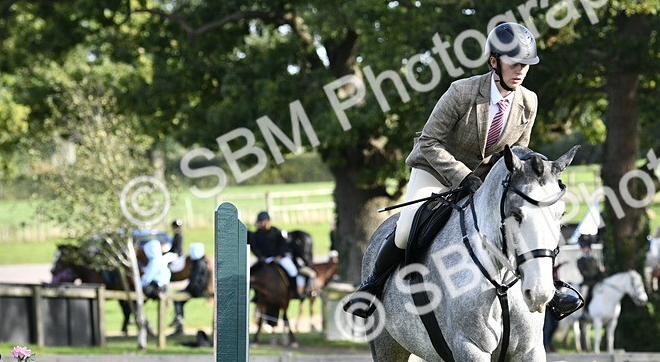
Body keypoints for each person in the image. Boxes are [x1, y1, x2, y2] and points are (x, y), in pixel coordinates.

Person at [345, 22, 578, 320]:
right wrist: (462, 176)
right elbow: (428, 142)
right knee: (405, 230)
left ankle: (549, 288)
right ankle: (372, 289)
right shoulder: (462, 92)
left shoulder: (528, 102)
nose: (520, 70)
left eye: (526, 64)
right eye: (514, 63)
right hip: (436, 169)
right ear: (494, 61)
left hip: (484, 181)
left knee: (525, 220)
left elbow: (517, 153)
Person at [248, 211, 306, 297]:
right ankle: (257, 296)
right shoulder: (257, 235)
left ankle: (295, 291)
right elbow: (255, 248)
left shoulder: (277, 232)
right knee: (254, 274)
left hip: (279, 258)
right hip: (265, 259)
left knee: (292, 271)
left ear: (268, 221)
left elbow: (284, 245)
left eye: (263, 221)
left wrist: (280, 256)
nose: (261, 224)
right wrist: (261, 257)